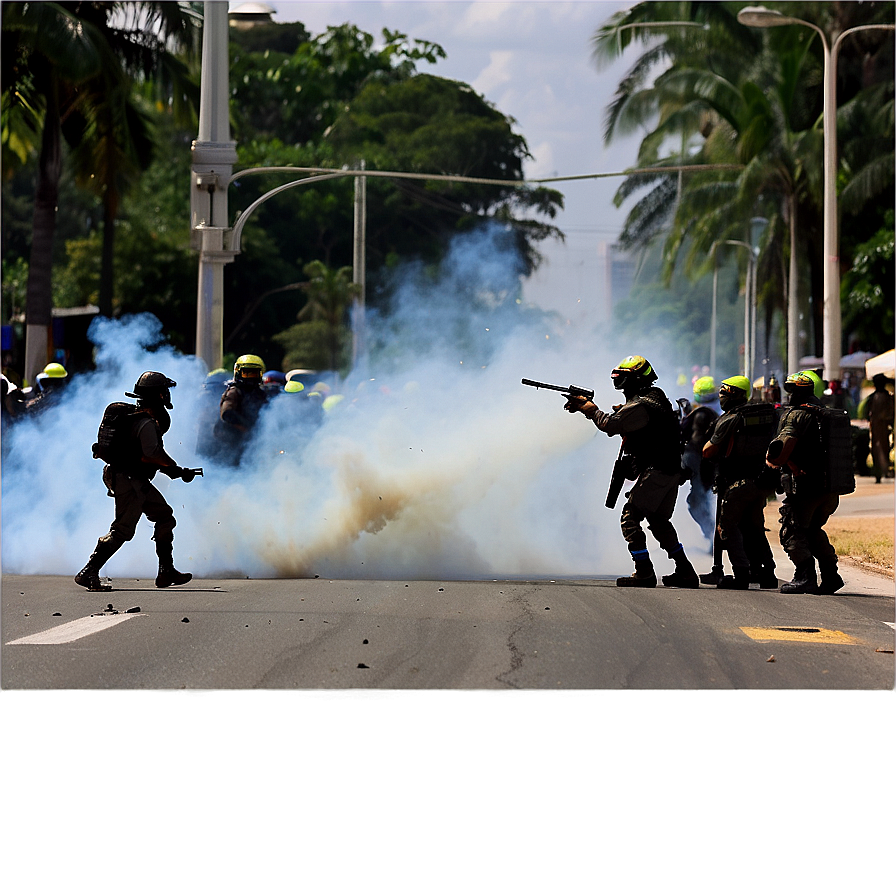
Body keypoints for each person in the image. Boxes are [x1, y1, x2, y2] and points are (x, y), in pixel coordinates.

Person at [565, 355, 699, 588]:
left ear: (634, 379)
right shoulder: (655, 397)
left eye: (623, 378)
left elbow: (610, 425)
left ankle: (644, 571)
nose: (618, 382)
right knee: (658, 521)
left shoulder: (640, 405)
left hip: (657, 470)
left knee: (630, 517)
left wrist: (590, 409)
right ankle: (686, 571)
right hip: (670, 470)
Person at [75, 372, 196, 592]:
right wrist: (175, 468)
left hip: (130, 478)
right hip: (130, 481)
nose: (167, 395)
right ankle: (89, 571)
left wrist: (173, 470)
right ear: (159, 394)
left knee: (164, 517)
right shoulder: (146, 422)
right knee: (122, 530)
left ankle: (166, 570)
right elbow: (151, 454)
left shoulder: (133, 417)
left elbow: (143, 455)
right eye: (164, 391)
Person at [765, 370, 843, 594]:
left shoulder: (797, 415)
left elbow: (783, 447)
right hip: (829, 487)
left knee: (792, 530)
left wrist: (778, 461)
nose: (790, 395)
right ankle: (831, 575)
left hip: (805, 486)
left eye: (793, 390)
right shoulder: (824, 413)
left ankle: (805, 576)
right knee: (813, 530)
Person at [702, 376, 778, 589]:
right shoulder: (765, 414)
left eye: (724, 394)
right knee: (754, 528)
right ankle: (767, 573)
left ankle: (741, 574)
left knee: (728, 527)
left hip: (737, 483)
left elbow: (708, 451)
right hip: (762, 480)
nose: (721, 398)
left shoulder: (730, 419)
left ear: (734, 395)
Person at [680, 375, 719, 545]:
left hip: (701, 462)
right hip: (711, 463)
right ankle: (712, 535)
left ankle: (713, 535)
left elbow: (694, 443)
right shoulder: (717, 411)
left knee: (698, 501)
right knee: (701, 501)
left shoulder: (701, 414)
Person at [214, 354, 269, 465]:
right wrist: (247, 427)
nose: (250, 377)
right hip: (232, 440)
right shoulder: (234, 391)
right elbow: (227, 413)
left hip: (254, 440)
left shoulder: (261, 394)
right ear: (238, 373)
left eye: (254, 373)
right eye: (246, 373)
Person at [864, 374, 894, 482]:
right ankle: (881, 471)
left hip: (880, 428)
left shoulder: (874, 397)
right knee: (882, 448)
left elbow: (867, 412)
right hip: (881, 428)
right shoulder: (886, 396)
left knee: (879, 449)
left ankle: (880, 471)